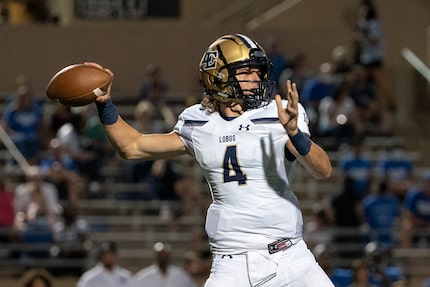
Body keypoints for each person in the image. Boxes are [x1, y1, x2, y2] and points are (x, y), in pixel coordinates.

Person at [90, 33, 333, 286]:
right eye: (246, 72)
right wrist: (105, 105)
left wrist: (295, 134)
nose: (256, 78)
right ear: (219, 76)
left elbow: (323, 170)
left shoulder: (278, 114)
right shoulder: (198, 121)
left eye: (258, 72)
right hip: (231, 265)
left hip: (290, 258)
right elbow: (132, 146)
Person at [133, 242, 198, 287]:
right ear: (156, 256)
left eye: (165, 254)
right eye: (160, 255)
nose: (163, 257)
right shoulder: (144, 276)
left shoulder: (181, 276)